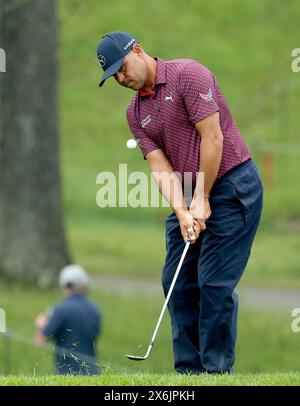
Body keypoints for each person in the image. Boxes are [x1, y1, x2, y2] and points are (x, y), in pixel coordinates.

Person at [96, 32, 263, 374]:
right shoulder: (135, 113)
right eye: (113, 75)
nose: (120, 78)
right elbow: (160, 167)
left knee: (213, 283)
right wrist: (183, 211)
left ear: (138, 51)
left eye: (122, 68)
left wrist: (202, 198)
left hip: (233, 186)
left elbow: (212, 136)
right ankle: (189, 373)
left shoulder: (188, 75)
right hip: (187, 192)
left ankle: (216, 373)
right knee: (176, 280)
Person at [34, 264, 101, 375]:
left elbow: (40, 340)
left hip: (67, 373)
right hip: (93, 371)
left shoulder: (60, 310)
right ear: (84, 285)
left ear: (64, 285)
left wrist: (41, 324)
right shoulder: (95, 309)